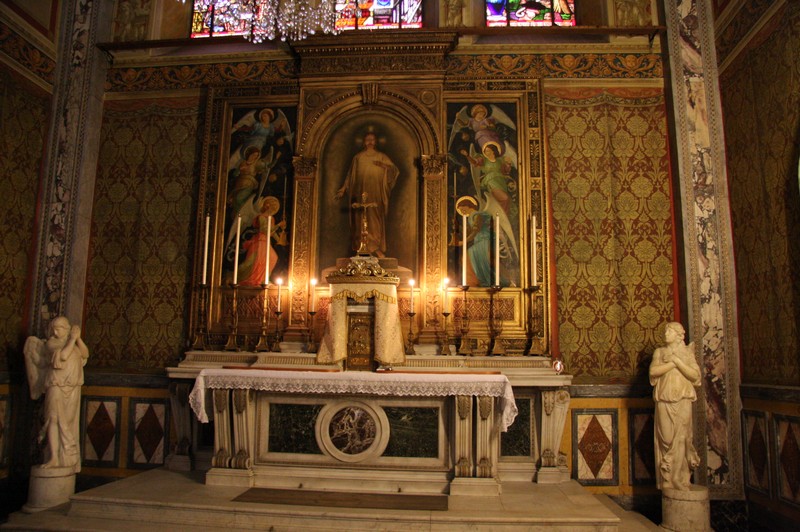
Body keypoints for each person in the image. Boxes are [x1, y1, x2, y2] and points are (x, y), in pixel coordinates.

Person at [24, 317, 90, 471]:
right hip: (56, 385)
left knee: (68, 421)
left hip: (72, 387)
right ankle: (53, 457)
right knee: (53, 419)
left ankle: (66, 456)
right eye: (53, 328)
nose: (55, 331)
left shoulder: (73, 343)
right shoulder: (52, 344)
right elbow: (63, 356)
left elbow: (85, 353)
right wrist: (72, 339)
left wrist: (78, 339)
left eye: (59, 328)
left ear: (67, 329)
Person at [649, 322, 702, 490]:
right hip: (664, 398)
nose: (666, 334)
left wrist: (677, 361)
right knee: (666, 438)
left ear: (679, 335)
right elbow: (653, 372)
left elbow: (695, 375)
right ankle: (667, 474)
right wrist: (672, 363)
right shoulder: (660, 352)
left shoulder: (687, 353)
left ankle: (677, 477)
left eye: (669, 331)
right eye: (666, 331)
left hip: (683, 398)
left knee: (681, 438)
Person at [334, 131, 399, 258]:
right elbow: (350, 175)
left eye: (372, 139)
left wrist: (384, 166)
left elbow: (394, 170)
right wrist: (343, 189)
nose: (370, 142)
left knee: (375, 219)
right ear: (364, 142)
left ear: (375, 142)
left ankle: (375, 248)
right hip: (360, 193)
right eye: (367, 139)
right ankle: (361, 247)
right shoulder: (358, 158)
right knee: (360, 220)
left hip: (376, 194)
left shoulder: (381, 156)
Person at [238, 196, 285, 287]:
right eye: (273, 206)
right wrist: (278, 225)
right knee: (258, 260)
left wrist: (280, 240)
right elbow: (265, 230)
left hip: (266, 241)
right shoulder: (261, 217)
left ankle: (264, 279)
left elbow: (271, 232)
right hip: (260, 241)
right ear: (267, 206)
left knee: (273, 258)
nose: (274, 209)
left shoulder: (271, 219)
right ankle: (255, 279)